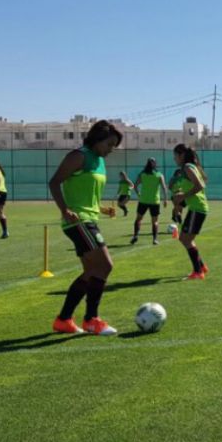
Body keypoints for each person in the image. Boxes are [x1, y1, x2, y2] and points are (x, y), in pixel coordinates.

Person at [48, 120, 122, 335]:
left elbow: (85, 195)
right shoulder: (78, 156)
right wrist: (64, 210)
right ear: (97, 139)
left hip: (88, 218)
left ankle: (63, 320)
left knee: (91, 271)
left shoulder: (99, 161)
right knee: (106, 265)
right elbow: (54, 182)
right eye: (109, 144)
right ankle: (91, 320)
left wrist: (101, 209)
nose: (111, 149)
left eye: (114, 146)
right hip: (77, 221)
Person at [172, 143, 210, 280]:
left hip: (197, 208)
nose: (174, 159)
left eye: (175, 156)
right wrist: (182, 196)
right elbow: (201, 181)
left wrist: (183, 196)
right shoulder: (189, 168)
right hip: (196, 208)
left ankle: (198, 271)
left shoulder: (188, 167)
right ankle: (202, 267)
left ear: (181, 155)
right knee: (185, 238)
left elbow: (200, 185)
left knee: (185, 239)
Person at [131, 158, 168, 245]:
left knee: (138, 219)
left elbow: (135, 186)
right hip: (155, 201)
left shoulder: (142, 174)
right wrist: (165, 199)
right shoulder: (159, 175)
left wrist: (139, 194)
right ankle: (155, 239)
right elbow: (164, 187)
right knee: (155, 221)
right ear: (155, 164)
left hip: (143, 200)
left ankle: (135, 236)